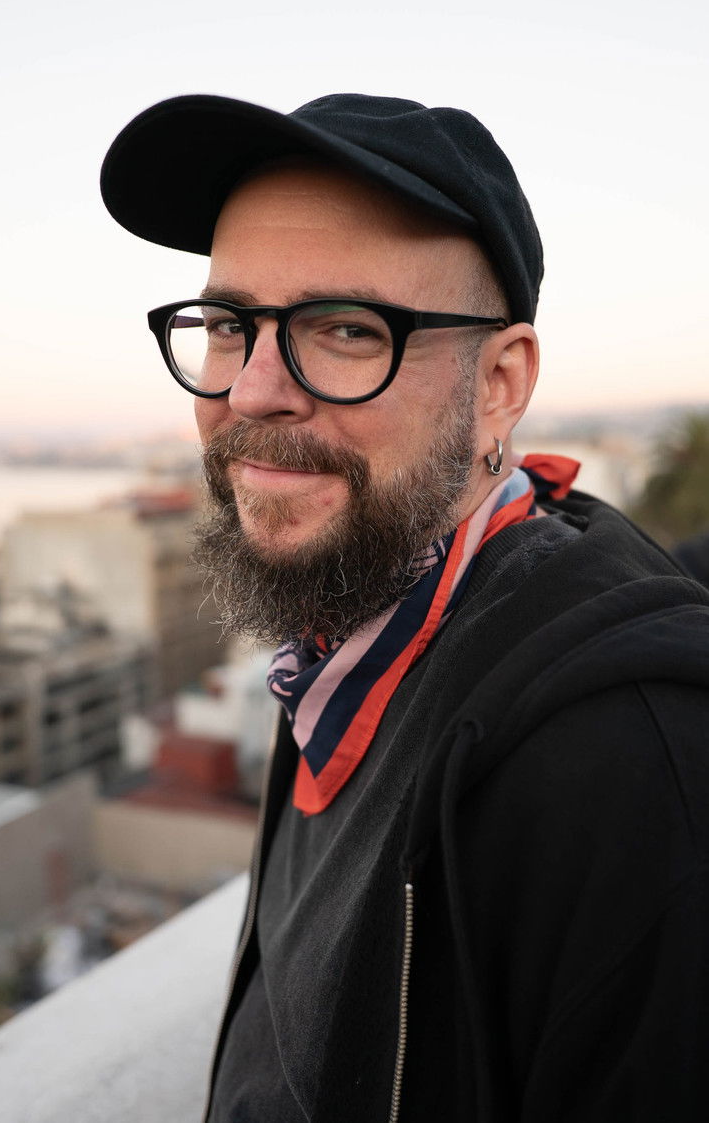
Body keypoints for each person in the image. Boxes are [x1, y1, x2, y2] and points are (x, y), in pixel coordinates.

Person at [101, 94, 709, 1122]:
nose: (250, 393)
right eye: (230, 326)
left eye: (347, 329)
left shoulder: (626, 775)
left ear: (499, 384)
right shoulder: (350, 623)